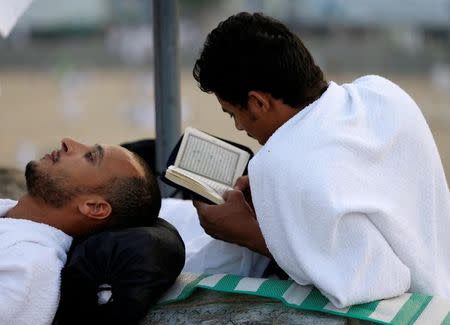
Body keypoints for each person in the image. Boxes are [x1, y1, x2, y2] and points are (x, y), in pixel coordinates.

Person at [192, 12, 450, 308]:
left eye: (232, 113)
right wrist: (281, 200)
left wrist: (249, 235)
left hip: (405, 308)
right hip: (442, 286)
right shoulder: (383, 93)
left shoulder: (280, 163)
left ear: (258, 102)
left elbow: (372, 280)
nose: (238, 127)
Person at [0, 137, 161, 325]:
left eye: (90, 157)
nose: (67, 142)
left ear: (94, 207)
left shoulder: (28, 267)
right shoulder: (13, 228)